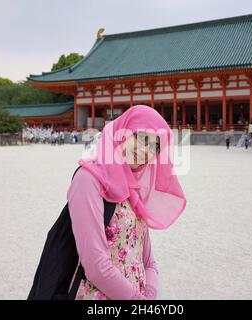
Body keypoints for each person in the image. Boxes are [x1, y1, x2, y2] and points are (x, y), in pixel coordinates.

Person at [67, 105, 186, 300]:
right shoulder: (89, 180)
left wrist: (150, 293)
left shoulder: (133, 187)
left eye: (154, 146)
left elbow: (148, 260)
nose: (145, 150)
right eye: (141, 138)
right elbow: (95, 266)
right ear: (124, 132)